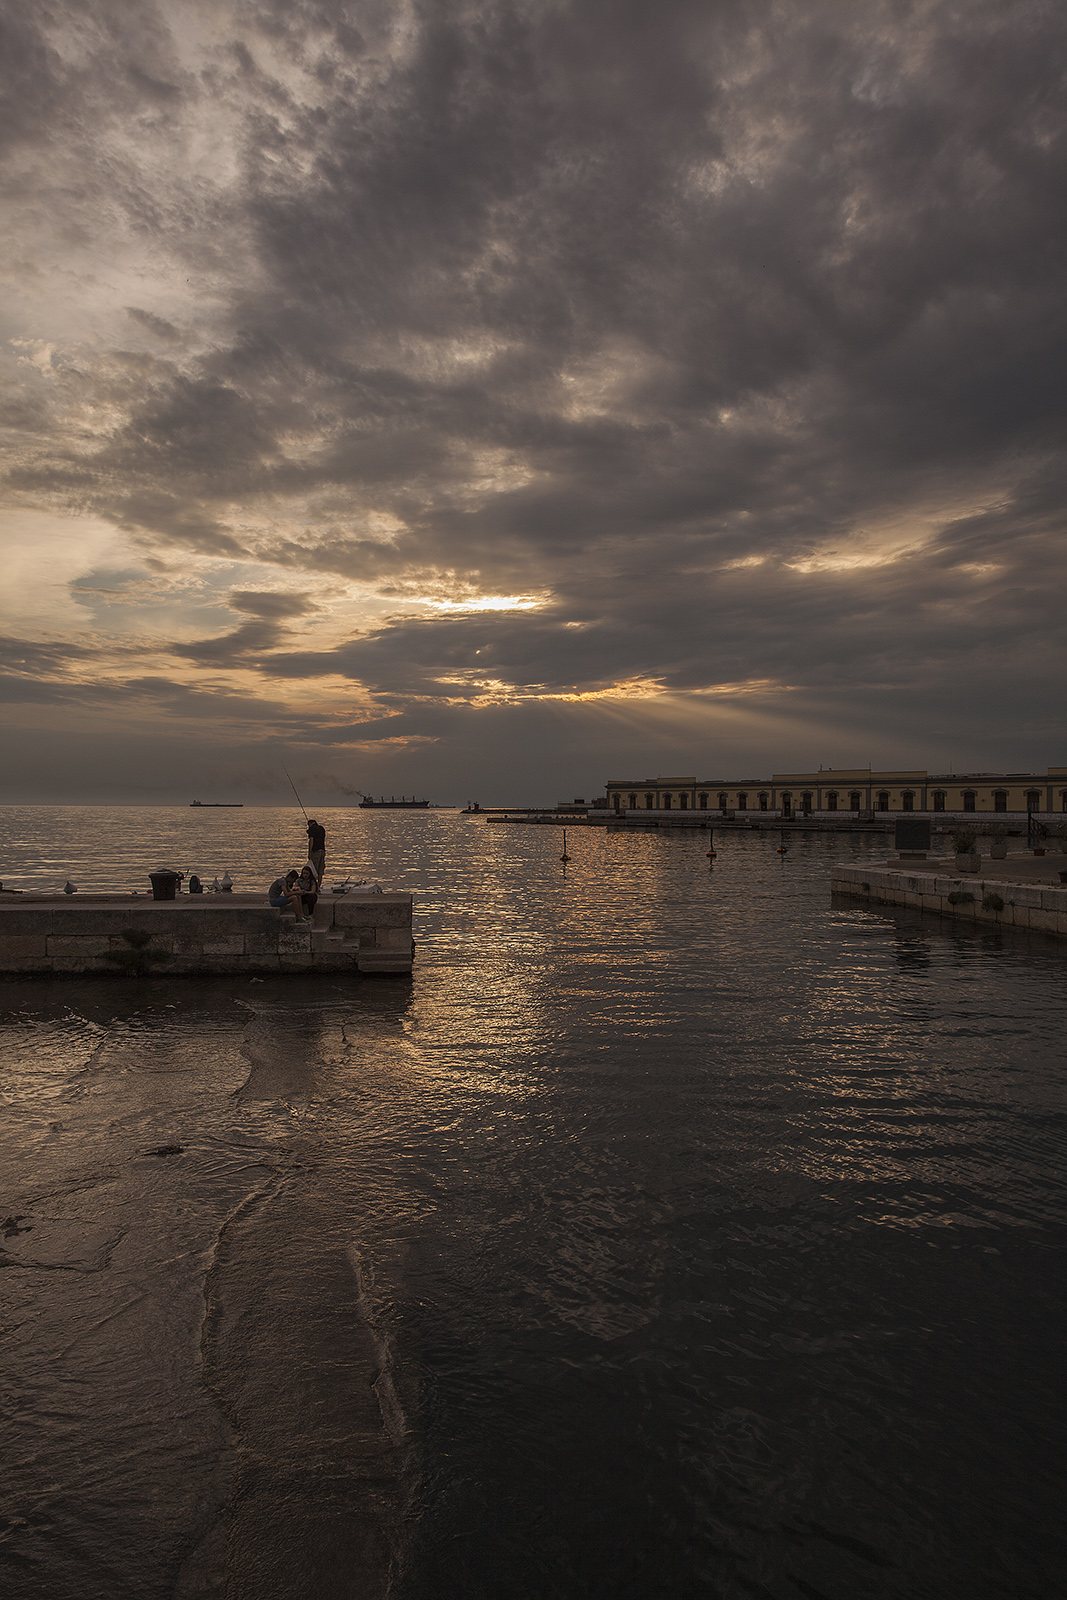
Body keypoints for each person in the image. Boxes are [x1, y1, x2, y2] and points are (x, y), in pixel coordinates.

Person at [306, 818, 326, 886]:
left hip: (316, 851)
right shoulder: (322, 828)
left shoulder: (312, 829)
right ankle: (318, 886)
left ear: (310, 824)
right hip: (322, 850)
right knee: (320, 870)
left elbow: (311, 840)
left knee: (313, 869)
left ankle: (313, 887)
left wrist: (309, 853)